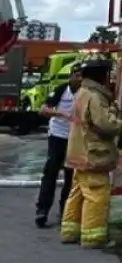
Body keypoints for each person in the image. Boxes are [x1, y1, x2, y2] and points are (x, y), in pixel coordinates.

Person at [60, 57, 122, 248]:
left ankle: (69, 232)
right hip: (92, 154)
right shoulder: (95, 96)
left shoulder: (81, 93)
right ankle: (94, 238)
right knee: (96, 195)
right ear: (102, 76)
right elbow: (105, 124)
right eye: (108, 74)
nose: (110, 78)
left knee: (78, 193)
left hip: (79, 152)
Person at [34, 63, 82, 228]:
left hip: (75, 138)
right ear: (71, 76)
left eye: (82, 75)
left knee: (71, 175)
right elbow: (43, 110)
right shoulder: (62, 90)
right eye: (76, 75)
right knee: (51, 171)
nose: (79, 78)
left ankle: (65, 212)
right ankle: (42, 210)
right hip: (58, 135)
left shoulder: (86, 93)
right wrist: (62, 113)